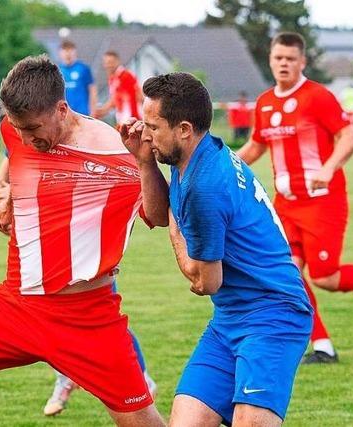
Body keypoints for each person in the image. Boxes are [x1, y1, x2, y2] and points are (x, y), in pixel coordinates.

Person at [0, 55, 167, 427]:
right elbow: (18, 155)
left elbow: (157, 215)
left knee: (143, 421)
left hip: (87, 317)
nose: (25, 138)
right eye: (17, 127)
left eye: (32, 128)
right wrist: (6, 190)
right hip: (17, 304)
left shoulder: (116, 151)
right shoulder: (18, 132)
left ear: (61, 109)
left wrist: (145, 165)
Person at [121, 71, 312, 426]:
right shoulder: (195, 154)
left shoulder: (206, 186)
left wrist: (178, 229)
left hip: (274, 315)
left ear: (183, 129)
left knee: (249, 422)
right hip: (229, 320)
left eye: (152, 126)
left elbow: (204, 282)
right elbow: (160, 214)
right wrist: (145, 161)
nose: (144, 134)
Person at [237, 32, 353, 364]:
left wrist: (328, 168)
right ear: (270, 60)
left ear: (302, 61)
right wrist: (225, 165)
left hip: (322, 202)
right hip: (285, 205)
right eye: (278, 58)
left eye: (290, 58)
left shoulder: (317, 97)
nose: (283, 63)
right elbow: (257, 145)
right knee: (288, 274)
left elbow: (350, 136)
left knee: (324, 277)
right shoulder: (265, 102)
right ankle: (323, 346)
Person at [0, 157, 158, 417]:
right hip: (43, 235)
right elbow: (12, 154)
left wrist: (18, 188)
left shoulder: (71, 122)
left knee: (97, 316)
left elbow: (84, 168)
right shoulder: (23, 126)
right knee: (46, 316)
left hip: (79, 233)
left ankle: (139, 380)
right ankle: (67, 377)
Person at [96, 51, 143, 124]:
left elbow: (139, 95)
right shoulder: (112, 78)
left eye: (111, 62)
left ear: (117, 62)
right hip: (122, 118)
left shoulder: (125, 76)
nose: (108, 65)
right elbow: (115, 99)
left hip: (132, 118)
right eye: (106, 62)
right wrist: (103, 110)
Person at [58, 40, 97, 116]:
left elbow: (92, 90)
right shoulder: (58, 70)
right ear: (60, 53)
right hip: (65, 114)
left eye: (70, 51)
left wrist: (93, 110)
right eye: (65, 51)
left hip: (82, 113)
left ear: (74, 52)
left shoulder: (83, 69)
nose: (67, 54)